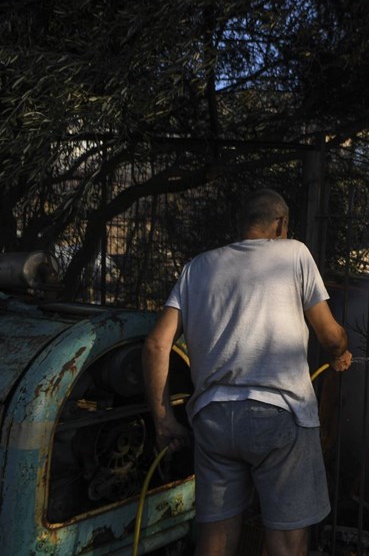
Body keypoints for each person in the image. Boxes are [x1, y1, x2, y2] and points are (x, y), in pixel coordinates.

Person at [143, 189, 352, 556]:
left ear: (242, 224)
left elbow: (157, 345)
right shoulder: (294, 254)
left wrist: (164, 422)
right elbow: (330, 335)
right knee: (287, 542)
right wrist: (340, 352)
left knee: (215, 538)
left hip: (213, 418)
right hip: (280, 416)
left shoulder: (197, 267)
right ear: (281, 224)